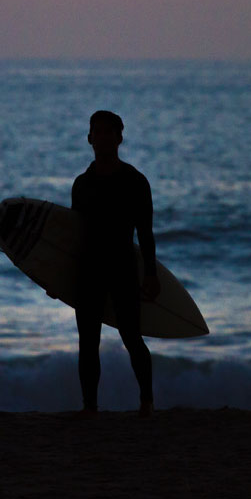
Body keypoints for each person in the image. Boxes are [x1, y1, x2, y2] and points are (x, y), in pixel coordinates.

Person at [71, 110, 160, 417]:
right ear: (89, 138)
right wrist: (57, 280)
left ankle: (147, 401)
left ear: (120, 138)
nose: (103, 137)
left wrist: (151, 274)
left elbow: (146, 233)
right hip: (88, 270)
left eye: (110, 132)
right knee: (88, 342)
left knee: (132, 338)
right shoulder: (81, 184)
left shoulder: (135, 182)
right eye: (98, 131)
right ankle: (89, 407)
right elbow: (75, 236)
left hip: (122, 268)